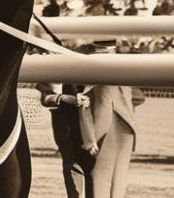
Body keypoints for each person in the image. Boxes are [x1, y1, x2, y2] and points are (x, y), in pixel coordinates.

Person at [40, 43, 143, 198]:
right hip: (69, 128)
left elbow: (135, 96)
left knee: (95, 174)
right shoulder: (57, 68)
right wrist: (65, 99)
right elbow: (45, 98)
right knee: (74, 168)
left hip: (97, 128)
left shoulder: (106, 71)